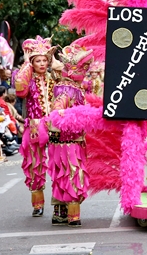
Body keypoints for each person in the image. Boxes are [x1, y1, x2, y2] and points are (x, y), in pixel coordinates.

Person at [46, 44, 93, 227]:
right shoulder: (68, 89)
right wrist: (71, 120)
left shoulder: (70, 86)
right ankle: (72, 215)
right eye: (84, 70)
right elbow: (58, 110)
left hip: (65, 141)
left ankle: (60, 213)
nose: (86, 74)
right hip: (68, 141)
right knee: (73, 173)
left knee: (61, 174)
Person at [13, 35, 56, 217]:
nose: (41, 63)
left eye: (44, 60)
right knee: (35, 166)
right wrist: (26, 64)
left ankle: (60, 202)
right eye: (37, 60)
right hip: (34, 126)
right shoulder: (27, 79)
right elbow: (20, 90)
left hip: (54, 126)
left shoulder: (54, 78)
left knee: (59, 164)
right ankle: (38, 204)